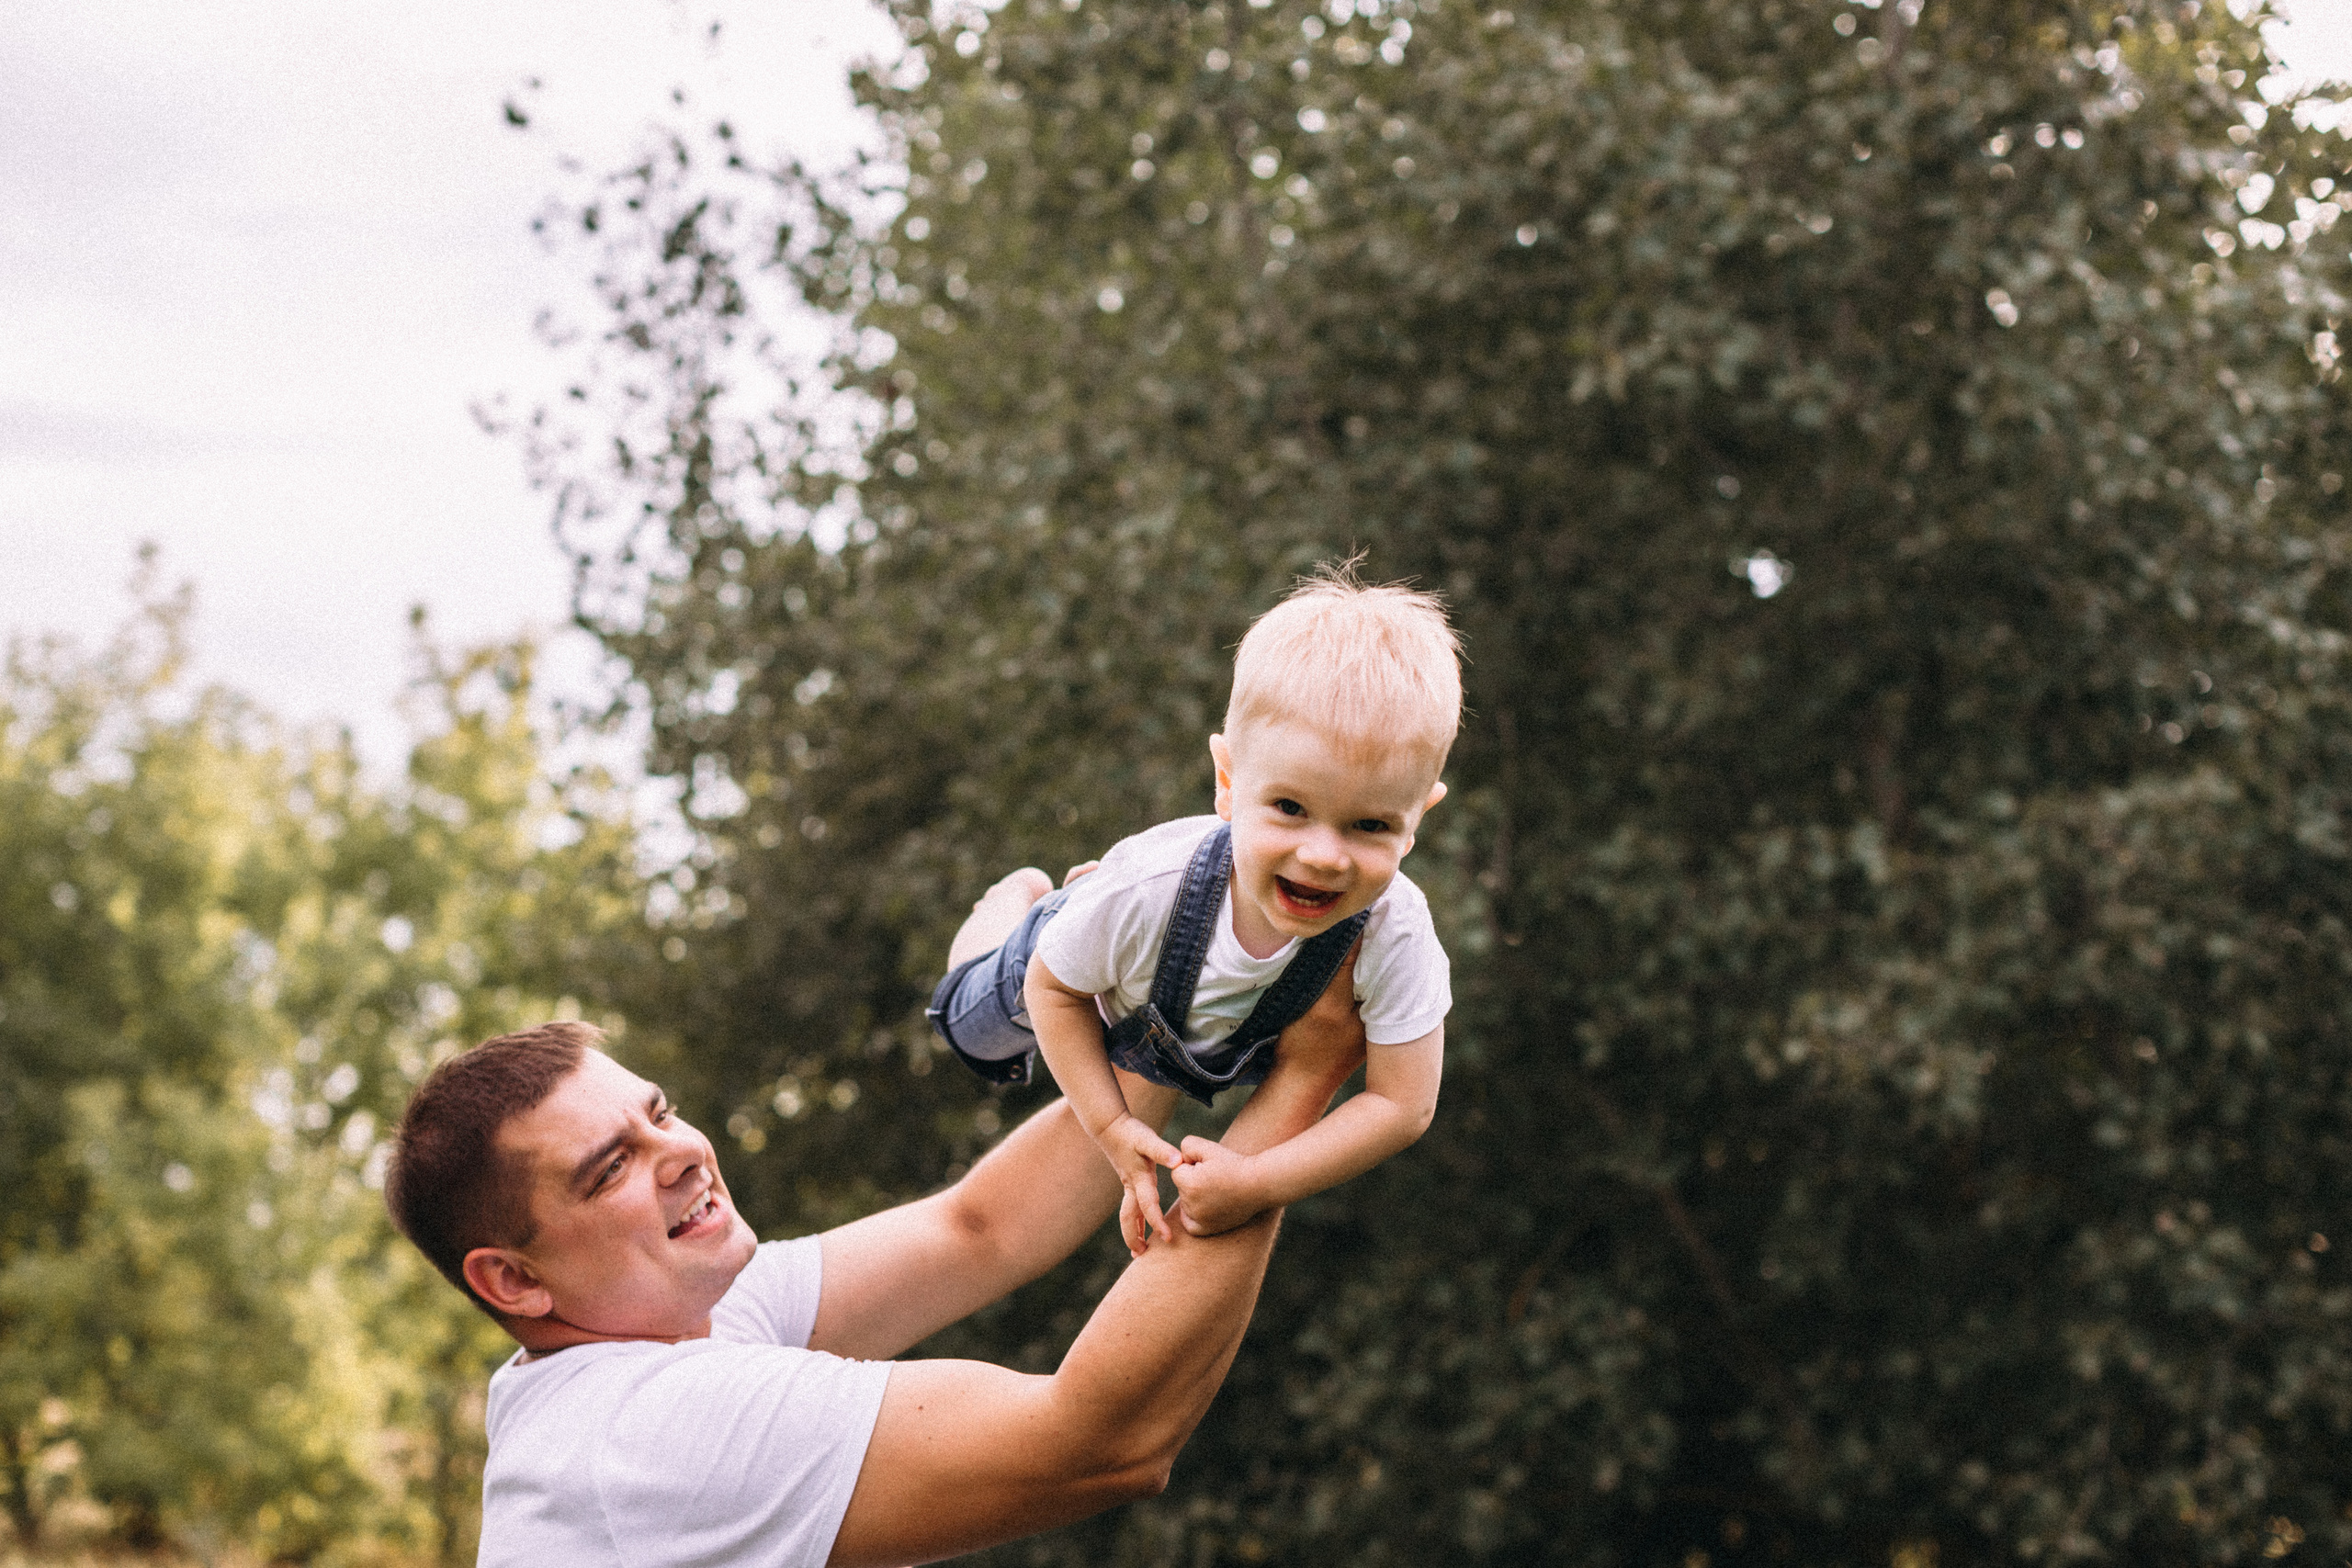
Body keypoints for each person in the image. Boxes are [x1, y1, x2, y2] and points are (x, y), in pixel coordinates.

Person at [382, 872, 1369, 1568]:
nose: (681, 1152)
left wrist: (1180, 1006)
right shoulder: (644, 1429)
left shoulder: (663, 1320)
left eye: (660, 1114)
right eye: (611, 1170)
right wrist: (1310, 1071)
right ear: (513, 1281)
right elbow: (1103, 1439)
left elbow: (981, 1229)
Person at [926, 562, 1462, 1254]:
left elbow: (1403, 1103)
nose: (1325, 855)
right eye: (1290, 808)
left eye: (1370, 826)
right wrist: (1114, 1130)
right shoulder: (1154, 886)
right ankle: (1012, 903)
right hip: (1057, 961)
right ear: (1228, 781)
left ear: (1418, 815)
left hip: (1144, 996)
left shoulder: (1397, 930)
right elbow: (1053, 987)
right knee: (972, 1027)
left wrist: (1261, 1178)